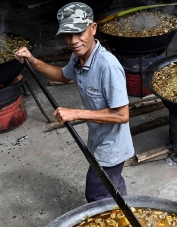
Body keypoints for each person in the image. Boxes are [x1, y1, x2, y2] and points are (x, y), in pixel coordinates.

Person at [14, 2, 134, 203]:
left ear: (93, 28)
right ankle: (127, 214)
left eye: (79, 33)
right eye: (68, 35)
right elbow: (63, 75)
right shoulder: (79, 56)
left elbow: (122, 115)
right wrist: (32, 61)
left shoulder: (108, 67)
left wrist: (76, 113)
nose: (74, 41)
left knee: (96, 195)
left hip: (112, 146)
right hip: (97, 139)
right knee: (114, 189)